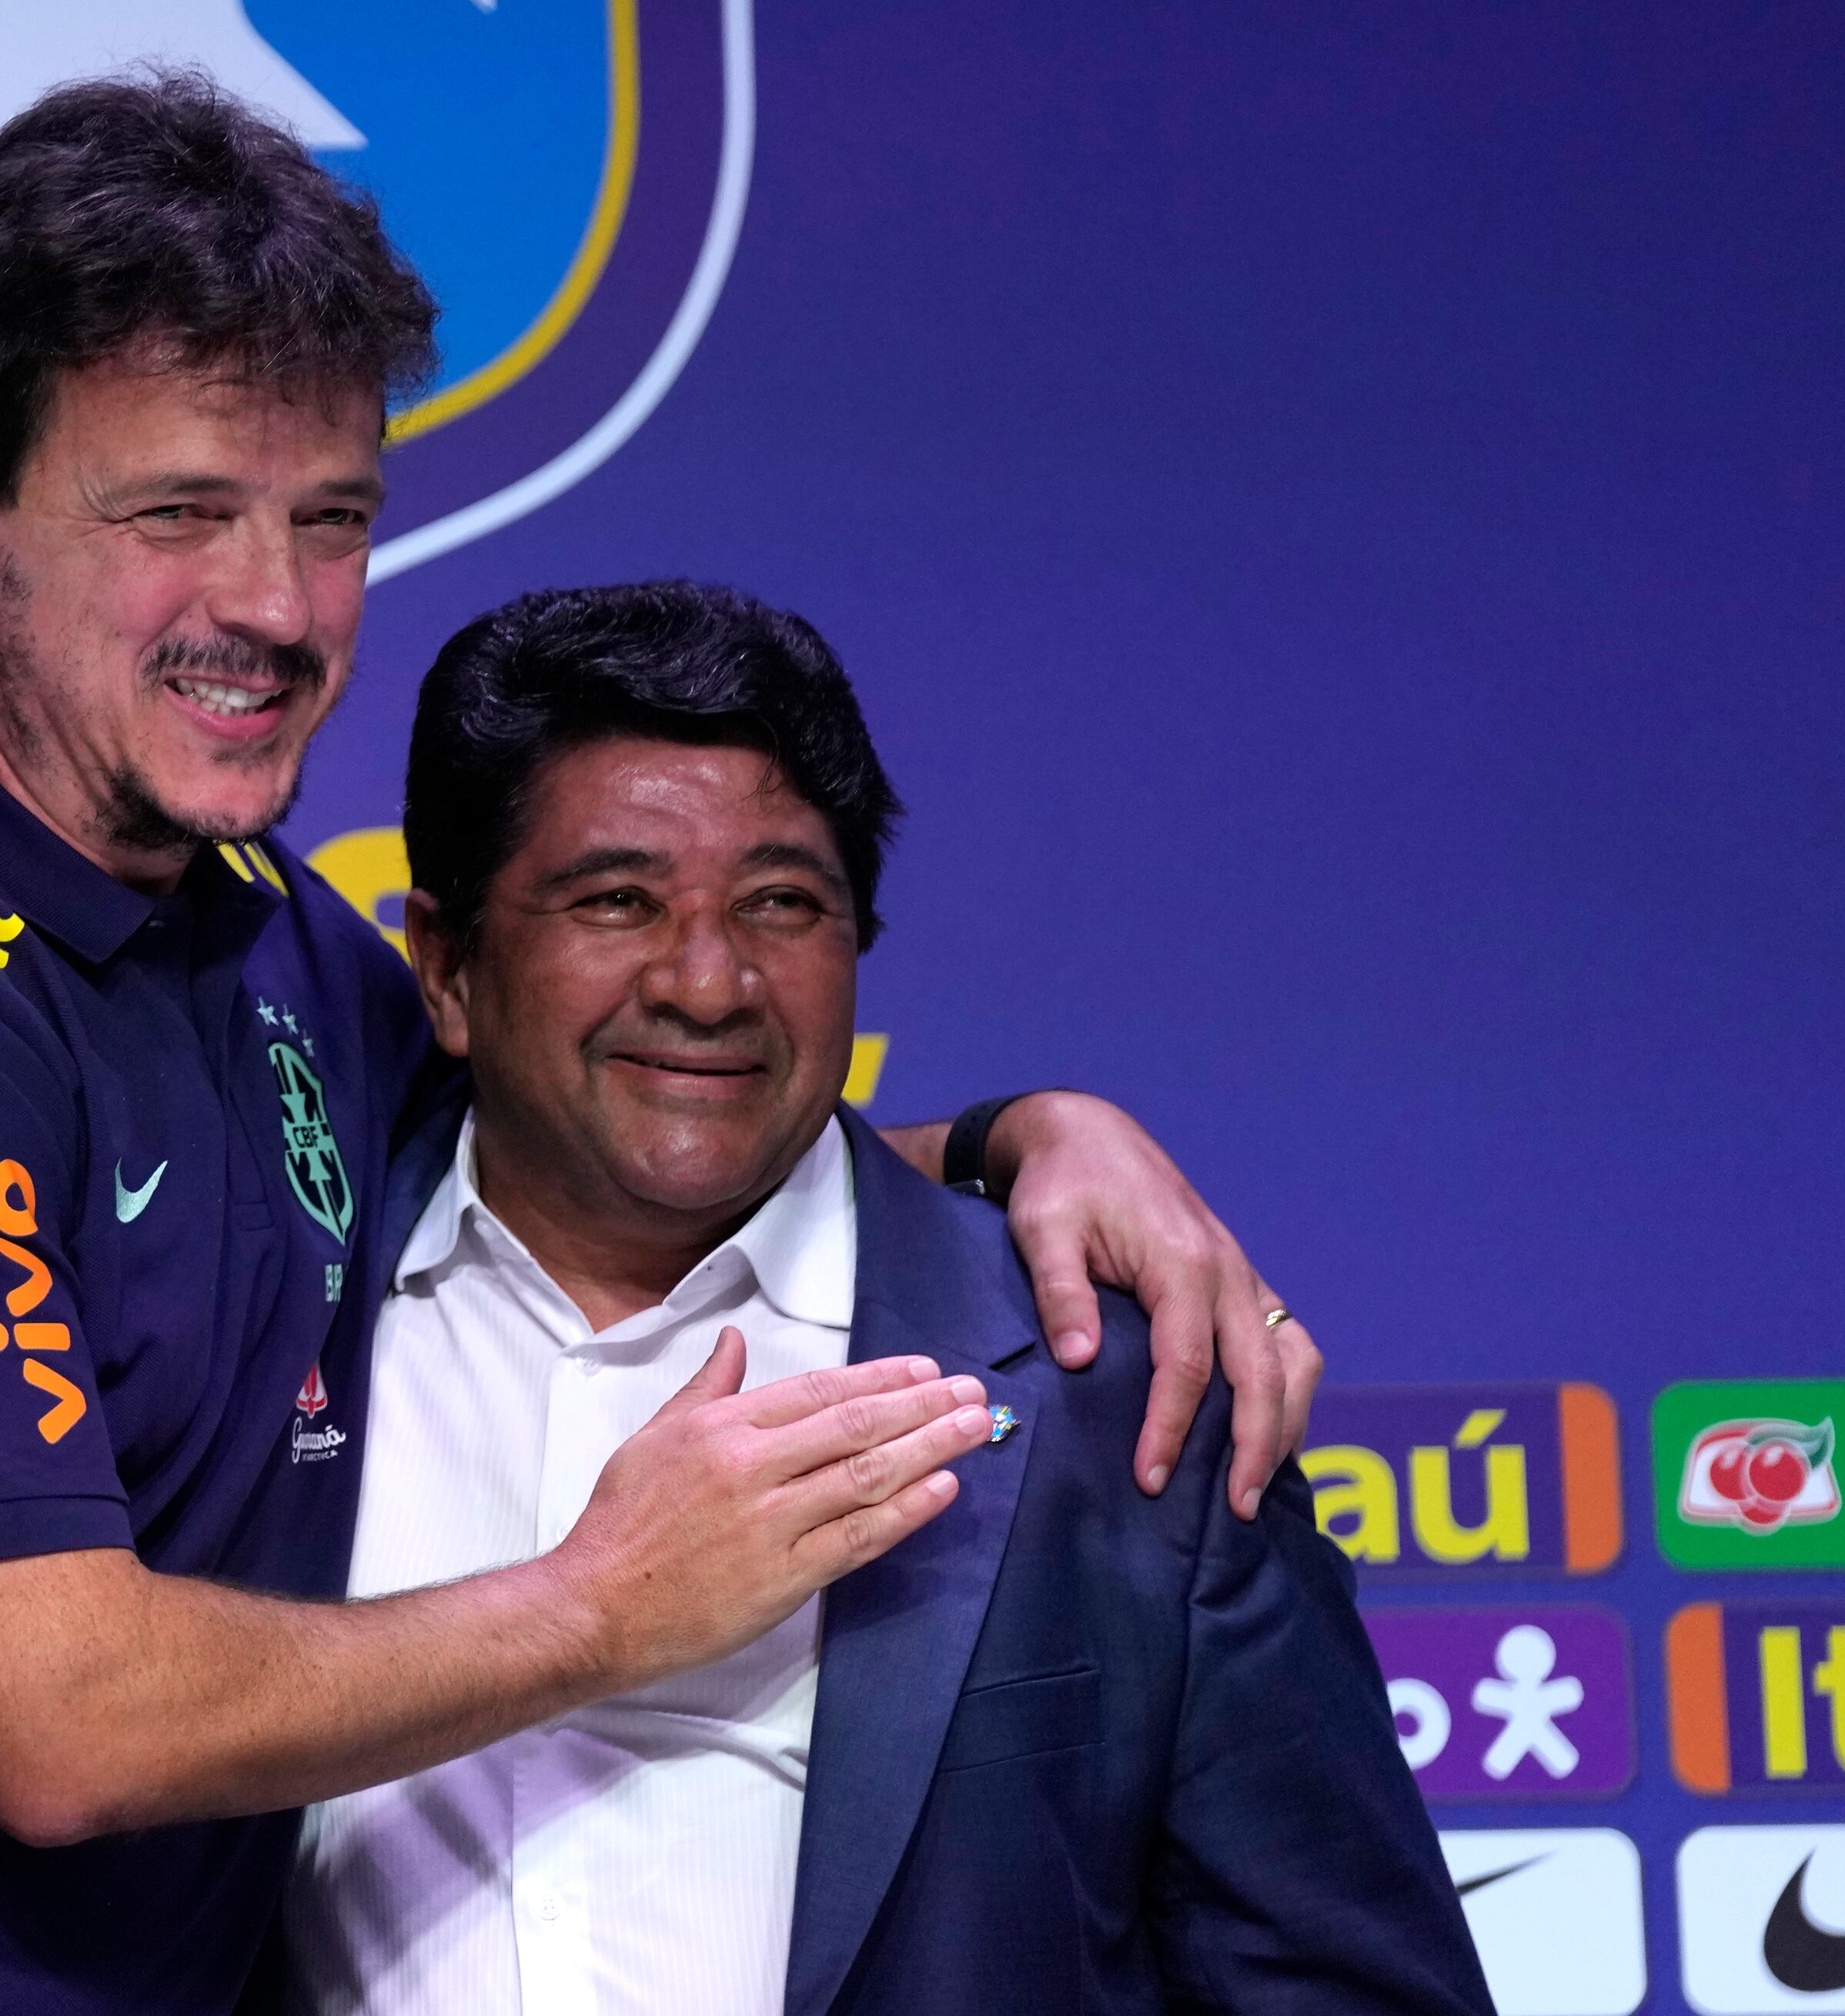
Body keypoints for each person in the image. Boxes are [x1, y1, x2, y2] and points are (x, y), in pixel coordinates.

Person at [0, 76, 1324, 2016]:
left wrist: (1033, 1142)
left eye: (333, 515)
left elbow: (592, 1108)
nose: (273, 606)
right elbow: (64, 1719)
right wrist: (608, 1603)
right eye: (179, 510)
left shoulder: (262, 930)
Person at [281, 580, 1490, 2016]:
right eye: (616, 901)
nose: (709, 980)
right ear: (447, 965)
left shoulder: (1112, 1393)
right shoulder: (266, 1323)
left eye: (782, 904)